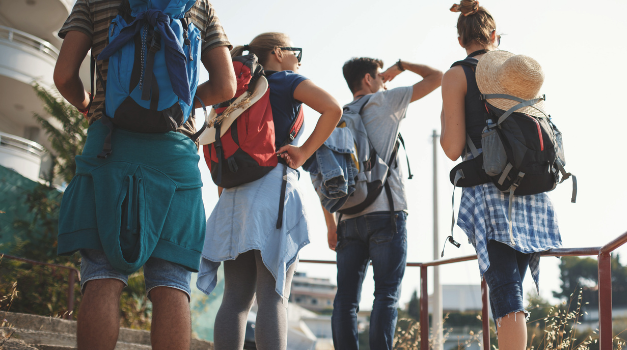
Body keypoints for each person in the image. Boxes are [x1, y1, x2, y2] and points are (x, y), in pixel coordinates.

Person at [53, 0, 236, 349]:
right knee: (171, 281)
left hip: (108, 144)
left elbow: (63, 76)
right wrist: (175, 104)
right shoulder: (198, 5)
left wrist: (90, 105)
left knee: (102, 275)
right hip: (174, 155)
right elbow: (226, 86)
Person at [196, 32, 343, 350]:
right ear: (277, 53)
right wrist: (303, 152)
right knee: (273, 298)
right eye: (295, 51)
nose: (298, 58)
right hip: (272, 192)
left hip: (234, 197)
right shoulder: (287, 80)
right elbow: (333, 108)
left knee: (235, 299)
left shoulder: (237, 92)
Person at [439, 1, 563, 349]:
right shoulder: (517, 74)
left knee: (507, 294)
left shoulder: (457, 74)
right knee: (511, 289)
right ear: (495, 36)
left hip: (492, 192)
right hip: (533, 191)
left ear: (460, 37)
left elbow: (451, 148)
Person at [328, 57, 441, 349]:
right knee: (386, 293)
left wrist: (331, 225)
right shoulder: (384, 101)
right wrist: (401, 65)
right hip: (386, 215)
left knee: (346, 299)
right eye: (380, 76)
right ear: (368, 79)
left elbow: (324, 175)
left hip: (347, 218)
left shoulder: (335, 115)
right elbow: (437, 76)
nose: (384, 80)